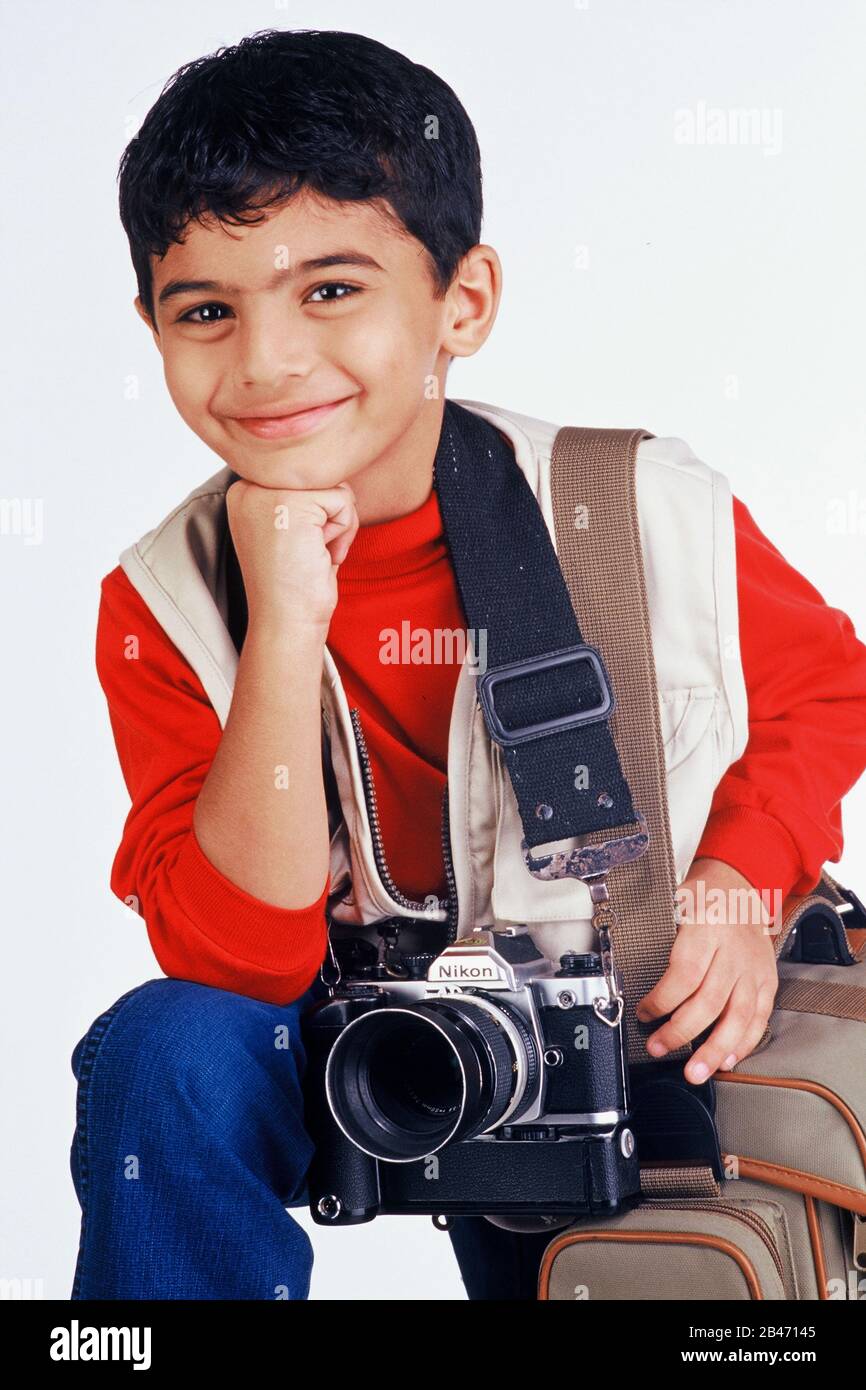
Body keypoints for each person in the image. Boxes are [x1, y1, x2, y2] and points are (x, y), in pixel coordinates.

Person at [70, 27, 866, 1300]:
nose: (267, 362)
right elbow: (238, 970)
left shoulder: (633, 505)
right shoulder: (162, 599)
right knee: (160, 1048)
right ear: (151, 328)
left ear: (462, 301)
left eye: (330, 290)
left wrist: (737, 880)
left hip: (636, 1042)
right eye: (206, 311)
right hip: (368, 1049)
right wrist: (280, 626)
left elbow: (827, 686)